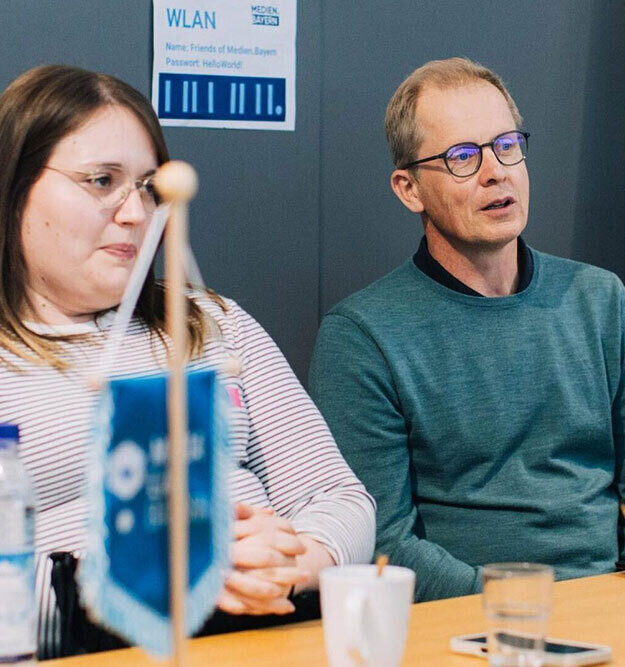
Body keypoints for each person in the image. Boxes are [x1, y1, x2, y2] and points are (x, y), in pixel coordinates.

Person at [0, 65, 375, 658]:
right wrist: (152, 575)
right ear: (15, 186)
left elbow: (338, 497)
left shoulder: (212, 321)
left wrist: (295, 562)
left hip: (272, 636)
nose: (135, 212)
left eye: (149, 187)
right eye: (101, 181)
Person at [308, 57, 625, 602]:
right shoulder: (362, 336)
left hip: (616, 600)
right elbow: (384, 540)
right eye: (463, 157)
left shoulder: (599, 298)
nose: (496, 172)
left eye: (507, 146)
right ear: (409, 188)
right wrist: (514, 609)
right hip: (470, 623)